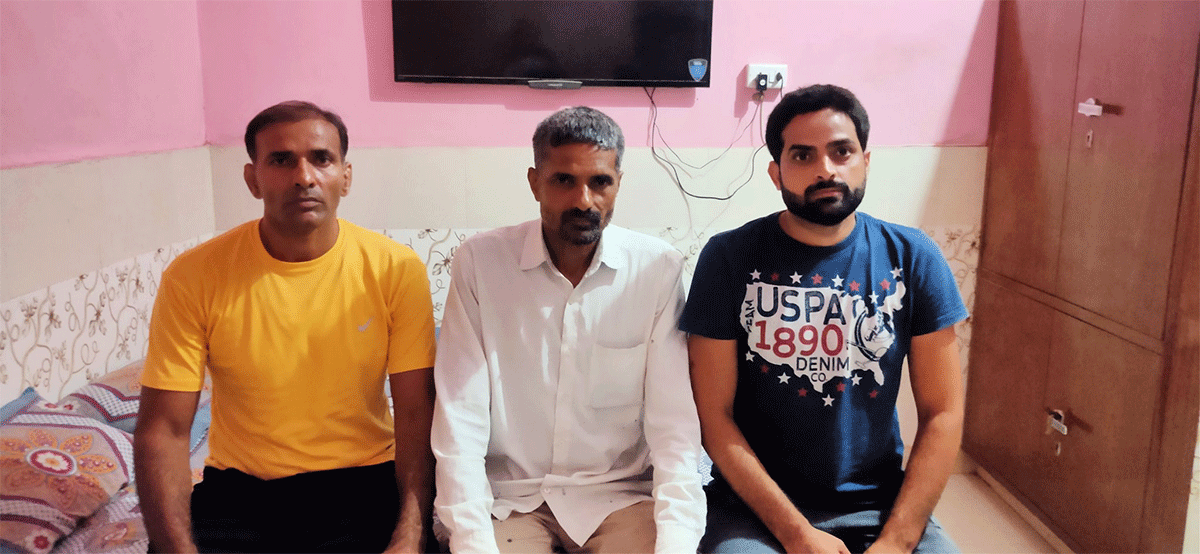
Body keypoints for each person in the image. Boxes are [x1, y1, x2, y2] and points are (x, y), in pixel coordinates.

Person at [133, 101, 438, 554]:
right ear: (252, 179)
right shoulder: (194, 276)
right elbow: (165, 430)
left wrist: (410, 535)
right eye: (280, 160)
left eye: (321, 158)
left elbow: (416, 414)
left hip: (363, 485)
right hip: (240, 494)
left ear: (346, 176)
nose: (304, 176)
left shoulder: (396, 269)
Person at [681, 84, 967, 554]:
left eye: (841, 152)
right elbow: (715, 418)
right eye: (802, 156)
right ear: (775, 173)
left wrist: (897, 541)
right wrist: (796, 534)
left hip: (878, 506)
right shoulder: (729, 257)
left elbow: (944, 414)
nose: (826, 170)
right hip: (752, 511)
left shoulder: (913, 257)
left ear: (866, 161)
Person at [431, 106, 705, 554]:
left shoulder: (656, 269)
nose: (583, 200)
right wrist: (472, 541)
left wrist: (677, 542)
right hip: (513, 501)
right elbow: (460, 419)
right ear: (535, 181)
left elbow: (674, 424)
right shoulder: (481, 263)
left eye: (600, 182)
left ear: (619, 183)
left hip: (620, 499)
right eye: (563, 180)